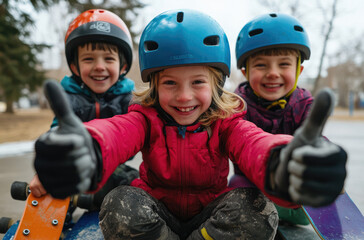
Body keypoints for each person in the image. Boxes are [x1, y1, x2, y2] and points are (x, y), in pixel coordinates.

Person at [34, 9, 347, 240]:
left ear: (216, 84)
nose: (184, 97)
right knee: (119, 203)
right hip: (156, 214)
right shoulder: (146, 118)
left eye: (197, 82)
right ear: (154, 86)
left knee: (257, 207)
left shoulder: (227, 122)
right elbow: (116, 132)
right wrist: (91, 148)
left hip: (210, 216)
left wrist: (281, 162)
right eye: (170, 83)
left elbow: (254, 143)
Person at [29, 9, 138, 209]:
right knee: (55, 182)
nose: (99, 66)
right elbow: (57, 135)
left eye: (109, 59)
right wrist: (49, 168)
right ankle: (49, 224)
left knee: (138, 186)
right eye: (89, 59)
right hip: (75, 169)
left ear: (123, 67)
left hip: (112, 168)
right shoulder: (69, 98)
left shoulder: (128, 100)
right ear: (75, 66)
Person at [230, 13, 314, 226]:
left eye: (284, 64)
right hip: (249, 181)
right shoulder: (238, 105)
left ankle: (271, 211)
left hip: (288, 183)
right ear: (245, 71)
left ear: (298, 70)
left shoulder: (304, 104)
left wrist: (322, 158)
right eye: (261, 65)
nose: (273, 73)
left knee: (310, 210)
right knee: (233, 192)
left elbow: (314, 140)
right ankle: (266, 211)